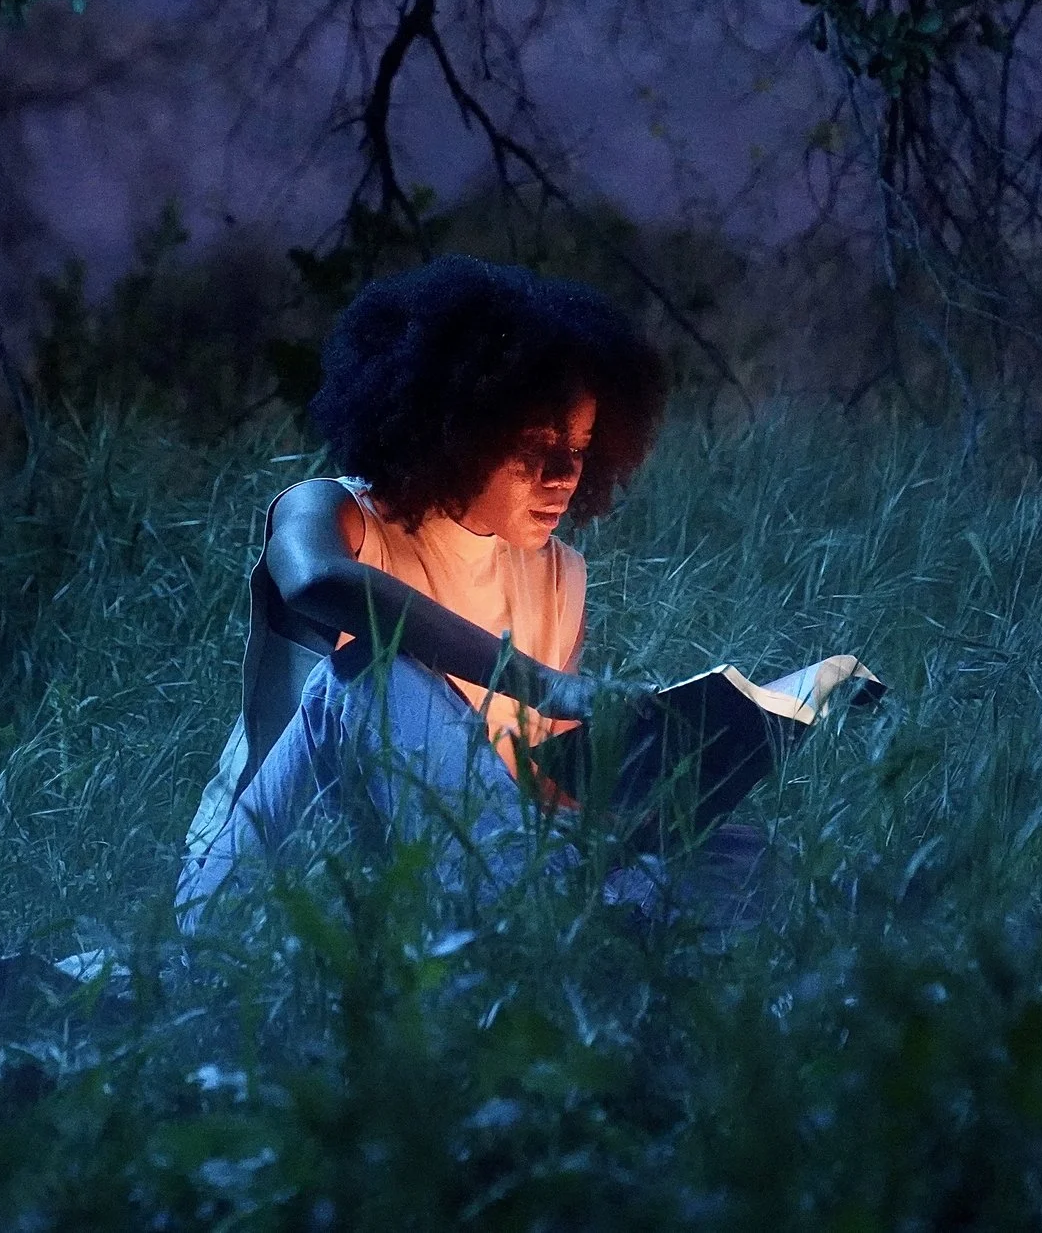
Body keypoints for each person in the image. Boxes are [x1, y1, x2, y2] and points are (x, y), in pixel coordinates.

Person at [173, 255, 671, 930]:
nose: (561, 474)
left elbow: (532, 787)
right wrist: (537, 682)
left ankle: (589, 929)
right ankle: (555, 923)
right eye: (535, 444)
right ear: (460, 429)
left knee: (727, 854)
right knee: (372, 670)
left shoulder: (560, 575)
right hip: (265, 886)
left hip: (424, 896)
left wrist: (639, 809)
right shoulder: (337, 512)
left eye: (579, 449)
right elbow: (314, 578)